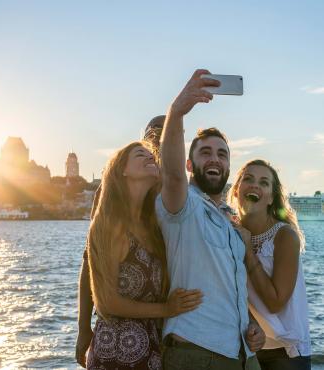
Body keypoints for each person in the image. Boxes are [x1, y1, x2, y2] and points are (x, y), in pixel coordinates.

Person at [156, 69, 264, 370]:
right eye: (205, 153)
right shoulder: (182, 206)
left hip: (242, 354)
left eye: (222, 154)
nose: (215, 159)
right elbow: (173, 175)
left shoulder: (229, 224)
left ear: (229, 166)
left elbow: (228, 288)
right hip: (197, 353)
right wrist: (176, 112)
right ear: (190, 164)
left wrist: (252, 326)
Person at [86, 141, 202, 369]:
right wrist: (167, 309)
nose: (151, 158)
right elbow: (106, 302)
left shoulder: (153, 226)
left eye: (153, 156)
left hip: (151, 350)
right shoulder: (110, 224)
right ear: (122, 170)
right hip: (115, 352)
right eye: (141, 154)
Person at [75, 116, 166, 367]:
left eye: (168, 134)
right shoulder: (109, 202)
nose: (158, 142)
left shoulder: (176, 195)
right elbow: (90, 263)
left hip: (158, 339)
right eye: (153, 135)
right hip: (119, 337)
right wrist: (83, 328)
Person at [228, 159, 311, 370]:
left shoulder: (284, 236)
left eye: (264, 182)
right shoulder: (228, 232)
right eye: (248, 179)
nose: (255, 185)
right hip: (245, 347)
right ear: (236, 191)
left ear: (271, 198)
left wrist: (247, 251)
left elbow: (275, 303)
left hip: (285, 353)